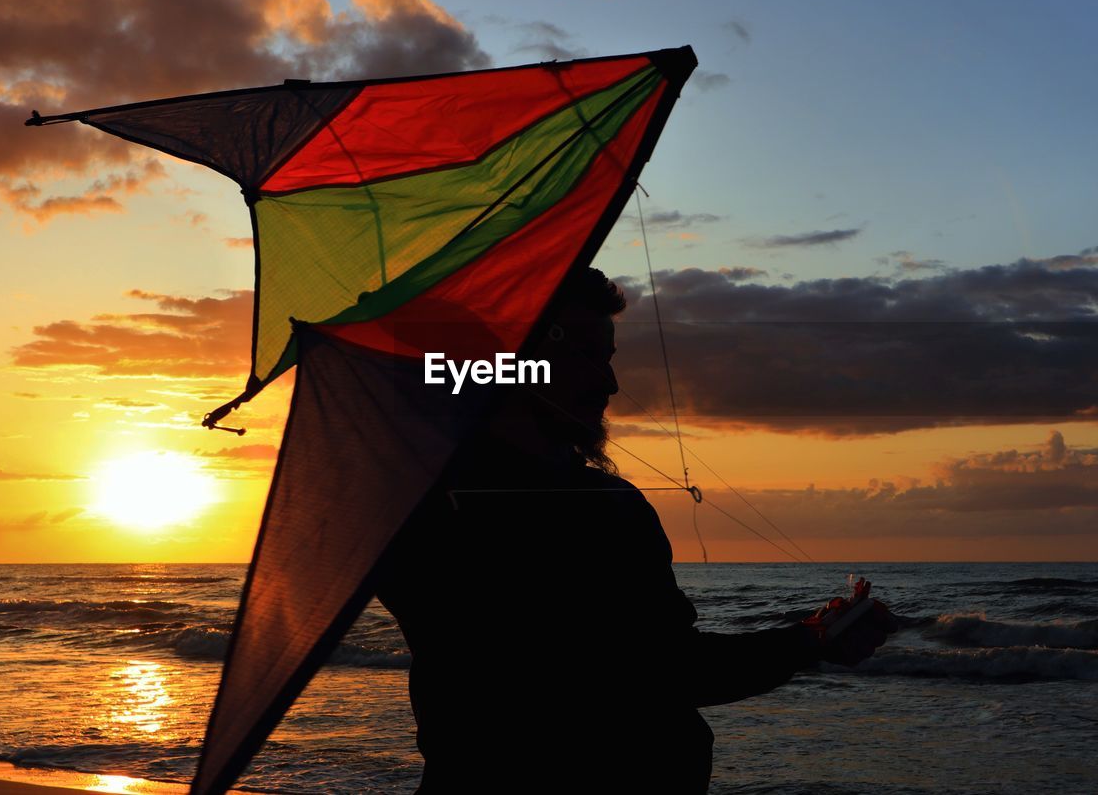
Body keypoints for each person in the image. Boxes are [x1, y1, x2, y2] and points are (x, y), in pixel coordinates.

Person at [375, 267, 894, 794]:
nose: (609, 383)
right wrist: (810, 641)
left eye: (608, 359)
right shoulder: (588, 510)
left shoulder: (403, 505)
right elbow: (666, 671)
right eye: (586, 356)